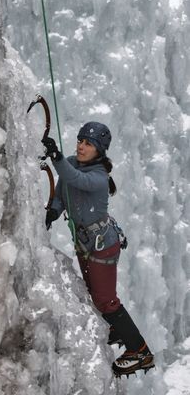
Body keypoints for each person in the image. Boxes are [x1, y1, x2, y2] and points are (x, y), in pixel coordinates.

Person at [42, 122, 154, 377]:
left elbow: (76, 179)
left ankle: (140, 352)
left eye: (88, 144)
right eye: (80, 141)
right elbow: (63, 192)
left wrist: (58, 158)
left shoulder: (99, 176)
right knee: (95, 294)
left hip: (102, 244)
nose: (81, 146)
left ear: (100, 151)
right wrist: (54, 211)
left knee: (106, 300)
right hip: (85, 243)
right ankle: (115, 328)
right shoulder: (70, 162)